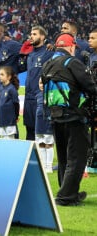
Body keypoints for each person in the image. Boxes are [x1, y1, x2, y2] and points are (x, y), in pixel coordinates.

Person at [41, 33, 97, 206]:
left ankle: (68, 191)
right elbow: (90, 86)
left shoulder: (47, 64)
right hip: (74, 114)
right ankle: (65, 196)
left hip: (55, 116)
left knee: (64, 156)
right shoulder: (72, 62)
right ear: (71, 46)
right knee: (77, 157)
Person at [0, 22, 22, 138]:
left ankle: (16, 148)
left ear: (1, 32)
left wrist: (15, 71)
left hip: (7, 88)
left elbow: (27, 52)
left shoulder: (11, 45)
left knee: (10, 118)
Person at [22, 25, 54, 140]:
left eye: (34, 34)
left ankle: (43, 157)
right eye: (31, 34)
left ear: (42, 36)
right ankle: (30, 158)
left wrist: (51, 43)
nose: (31, 36)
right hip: (28, 97)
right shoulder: (30, 55)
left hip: (39, 97)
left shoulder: (49, 52)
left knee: (41, 131)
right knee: (29, 130)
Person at [35, 78, 54, 173]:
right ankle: (43, 165)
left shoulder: (52, 94)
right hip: (39, 123)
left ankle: (49, 166)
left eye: (44, 83)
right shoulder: (38, 94)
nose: (42, 85)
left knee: (49, 144)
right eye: (40, 83)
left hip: (48, 122)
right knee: (40, 143)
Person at [0, 66, 20, 139]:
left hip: (10, 121)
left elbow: (16, 104)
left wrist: (16, 117)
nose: (0, 76)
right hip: (1, 120)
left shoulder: (12, 89)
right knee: (3, 141)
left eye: (2, 74)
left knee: (10, 141)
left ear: (9, 77)